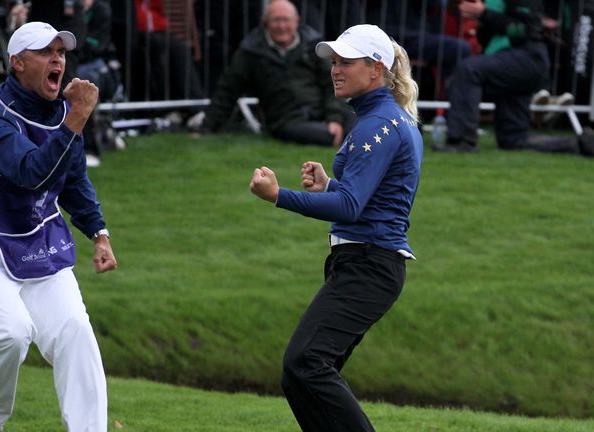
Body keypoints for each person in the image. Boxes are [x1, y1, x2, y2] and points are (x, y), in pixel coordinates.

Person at [0, 21, 117, 432]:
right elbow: (31, 173)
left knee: (75, 333)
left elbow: (73, 179)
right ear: (17, 62)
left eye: (62, 52)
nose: (58, 60)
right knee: (10, 334)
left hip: (34, 235)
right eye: (45, 52)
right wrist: (78, 118)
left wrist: (99, 233)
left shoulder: (65, 114)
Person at [250, 24, 423, 431]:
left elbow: (349, 206)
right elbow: (364, 197)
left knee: (304, 364)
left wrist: (279, 195)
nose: (336, 69)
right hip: (366, 264)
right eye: (335, 61)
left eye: (346, 61)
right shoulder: (381, 120)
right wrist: (330, 184)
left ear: (376, 69)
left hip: (369, 265)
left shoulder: (375, 125)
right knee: (306, 372)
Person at [434, 0, 594, 156]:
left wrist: (484, 14)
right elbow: (489, 33)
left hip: (527, 58)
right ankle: (582, 144)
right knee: (514, 139)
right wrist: (479, 18)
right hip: (513, 59)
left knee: (469, 69)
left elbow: (525, 29)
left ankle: (462, 140)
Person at [201, 0, 355, 147]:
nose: (281, 26)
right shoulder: (251, 51)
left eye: (286, 20)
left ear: (296, 21)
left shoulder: (313, 45)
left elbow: (331, 84)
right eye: (276, 20)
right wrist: (207, 127)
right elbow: (228, 89)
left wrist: (334, 118)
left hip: (322, 111)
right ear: (266, 22)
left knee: (359, 124)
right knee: (329, 134)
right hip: (286, 120)